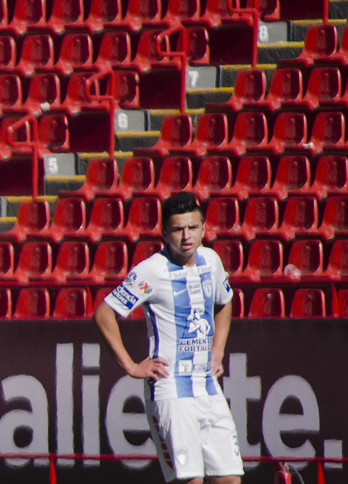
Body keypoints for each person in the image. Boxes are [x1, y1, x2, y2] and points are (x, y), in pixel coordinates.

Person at [93, 192, 243, 484]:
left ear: (203, 228)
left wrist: (218, 351)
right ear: (164, 232)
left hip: (207, 388)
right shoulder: (152, 270)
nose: (186, 236)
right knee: (191, 481)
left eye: (193, 227)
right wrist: (131, 366)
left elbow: (225, 302)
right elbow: (104, 314)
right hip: (172, 391)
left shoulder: (211, 261)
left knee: (229, 479)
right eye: (177, 229)